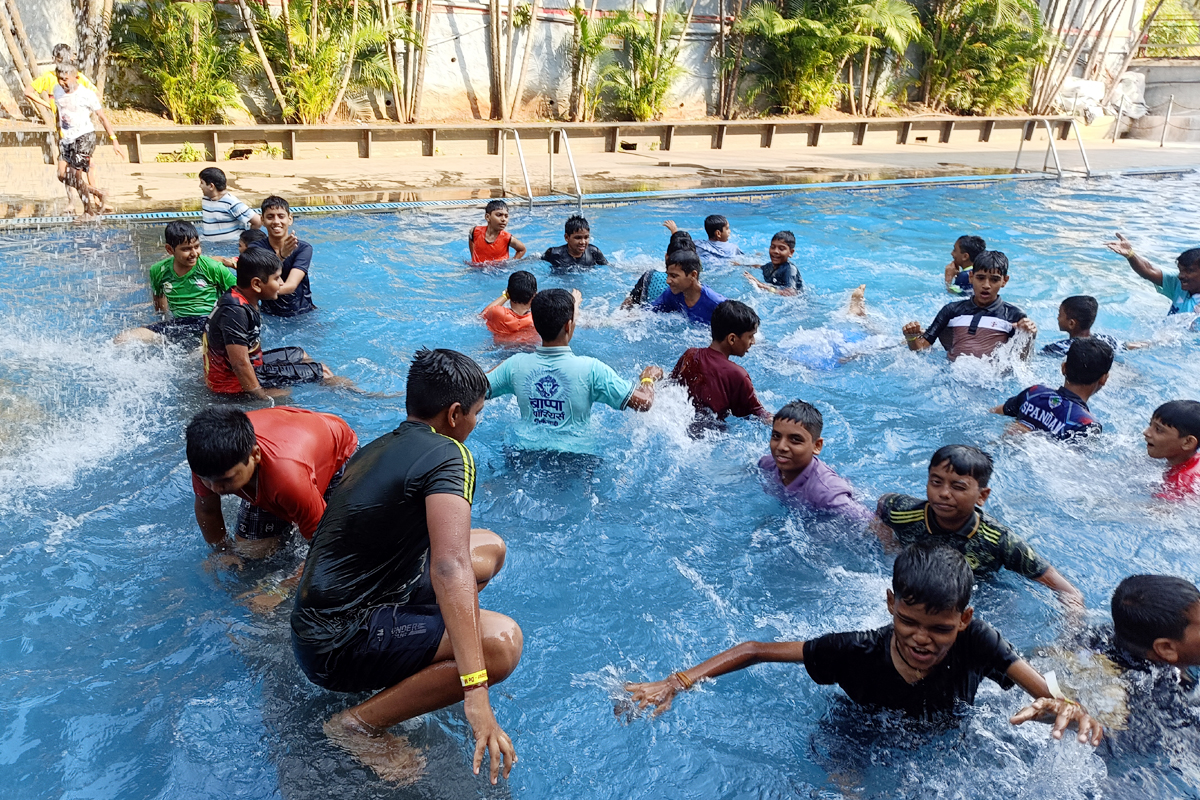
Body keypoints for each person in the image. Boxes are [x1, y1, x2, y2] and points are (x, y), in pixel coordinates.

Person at [291, 348, 522, 785]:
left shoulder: (379, 446)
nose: (476, 423)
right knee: (500, 644)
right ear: (454, 414)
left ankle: (421, 662)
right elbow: (450, 567)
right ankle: (359, 724)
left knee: (490, 548)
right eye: (477, 413)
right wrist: (476, 691)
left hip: (317, 624)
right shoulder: (451, 455)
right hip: (340, 643)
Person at [621, 543, 1103, 745]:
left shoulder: (977, 639)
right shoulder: (855, 651)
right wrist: (677, 682)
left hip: (947, 728)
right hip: (859, 729)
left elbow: (1049, 696)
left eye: (939, 629)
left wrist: (1070, 708)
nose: (921, 638)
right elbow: (755, 649)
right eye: (908, 621)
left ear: (963, 620)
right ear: (891, 604)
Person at [873, 445, 1084, 609]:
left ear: (982, 496)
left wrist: (1070, 633)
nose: (944, 493)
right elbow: (882, 506)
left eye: (958, 487)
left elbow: (1069, 592)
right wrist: (889, 546)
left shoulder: (1000, 541)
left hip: (981, 591)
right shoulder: (903, 511)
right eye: (936, 482)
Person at [487, 288, 662, 453]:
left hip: (523, 451)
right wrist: (648, 378)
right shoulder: (592, 369)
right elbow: (644, 402)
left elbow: (477, 387)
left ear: (535, 323)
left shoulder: (514, 365)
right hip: (577, 456)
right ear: (568, 325)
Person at [186, 406, 358, 559]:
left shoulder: (289, 481)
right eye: (207, 480)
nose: (215, 488)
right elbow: (208, 510)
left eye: (226, 480)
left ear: (255, 455)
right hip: (285, 445)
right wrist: (222, 551)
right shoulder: (206, 462)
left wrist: (287, 583)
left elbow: (326, 544)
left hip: (337, 453)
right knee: (250, 553)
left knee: (336, 537)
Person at [201, 246, 334, 398]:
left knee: (300, 354)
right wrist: (261, 396)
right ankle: (355, 395)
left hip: (250, 365)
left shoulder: (239, 296)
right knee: (322, 372)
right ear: (256, 284)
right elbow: (240, 364)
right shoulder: (235, 311)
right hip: (230, 384)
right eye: (277, 278)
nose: (282, 283)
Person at [114, 220, 236, 345]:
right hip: (179, 324)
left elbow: (240, 295)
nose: (194, 253)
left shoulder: (212, 267)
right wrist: (163, 322)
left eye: (197, 246)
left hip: (209, 322)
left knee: (196, 353)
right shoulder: (158, 270)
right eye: (186, 249)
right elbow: (159, 302)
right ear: (169, 249)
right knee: (122, 339)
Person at [902, 251, 1038, 361]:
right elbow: (921, 348)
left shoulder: (1013, 315)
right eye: (980, 278)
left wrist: (1030, 335)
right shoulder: (952, 310)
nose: (986, 285)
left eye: (994, 279)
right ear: (971, 277)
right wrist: (911, 337)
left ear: (1004, 281)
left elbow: (1020, 362)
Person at [758, 400, 873, 521]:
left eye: (795, 440)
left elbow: (872, 524)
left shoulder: (828, 494)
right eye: (776, 436)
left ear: (817, 446)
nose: (781, 447)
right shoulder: (767, 464)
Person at [31, 63, 122, 217]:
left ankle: (88, 211)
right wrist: (59, 128)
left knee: (75, 174)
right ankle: (98, 193)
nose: (62, 83)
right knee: (61, 175)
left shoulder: (87, 94)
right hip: (67, 139)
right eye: (59, 79)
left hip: (84, 138)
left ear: (76, 77)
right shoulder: (57, 90)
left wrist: (114, 139)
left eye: (65, 79)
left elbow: (102, 117)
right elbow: (59, 112)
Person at [671, 299, 770, 430]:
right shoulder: (738, 375)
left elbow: (670, 389)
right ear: (732, 339)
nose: (753, 342)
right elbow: (761, 415)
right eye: (750, 336)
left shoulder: (690, 355)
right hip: (713, 434)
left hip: (679, 426)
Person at [992, 337, 1113, 441]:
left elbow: (994, 412)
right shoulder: (1086, 424)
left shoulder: (1034, 393)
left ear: (1063, 368)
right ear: (1104, 379)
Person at [1105, 233, 1200, 317]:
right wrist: (1130, 254)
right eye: (1180, 270)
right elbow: (1148, 270)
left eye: (1189, 271)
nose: (1181, 276)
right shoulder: (1177, 283)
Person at [253, 195, 316, 317]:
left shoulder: (303, 248)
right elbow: (257, 278)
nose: (276, 221)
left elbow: (290, 286)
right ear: (262, 220)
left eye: (281, 216)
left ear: (290, 219)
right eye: (270, 217)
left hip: (301, 313)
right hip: (268, 313)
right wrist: (281, 256)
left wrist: (261, 291)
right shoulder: (255, 248)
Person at [651, 250, 727, 327]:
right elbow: (648, 313)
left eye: (674, 276)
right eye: (668, 275)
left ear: (693, 275)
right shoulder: (671, 295)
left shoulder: (716, 303)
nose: (667, 281)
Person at [1143, 399, 1200, 501]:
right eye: (1150, 424)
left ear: (1187, 443)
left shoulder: (1181, 486)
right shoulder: (1191, 460)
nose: (1146, 432)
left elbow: (1161, 509)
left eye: (1158, 430)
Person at [622, 230, 693, 309]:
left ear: (666, 257)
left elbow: (627, 304)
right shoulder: (694, 288)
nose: (668, 281)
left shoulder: (650, 276)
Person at [1040, 296, 1123, 357]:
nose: (1058, 318)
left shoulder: (1059, 348)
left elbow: (1034, 361)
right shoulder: (1107, 340)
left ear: (1071, 323)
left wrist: (1032, 338)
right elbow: (1127, 346)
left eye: (1060, 315)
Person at [198, 167, 261, 239]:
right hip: (209, 242)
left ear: (211, 186)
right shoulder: (206, 199)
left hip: (230, 244)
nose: (200, 186)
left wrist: (248, 239)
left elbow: (258, 221)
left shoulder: (232, 203)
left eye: (202, 183)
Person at [480, 270, 537, 339]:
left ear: (508, 293)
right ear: (534, 295)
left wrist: (504, 296)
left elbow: (482, 315)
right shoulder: (536, 319)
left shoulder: (497, 313)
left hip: (500, 345)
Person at [541, 215, 607, 274]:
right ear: (567, 237)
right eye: (578, 238)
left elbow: (608, 268)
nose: (583, 242)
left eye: (586, 237)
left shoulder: (594, 252)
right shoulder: (554, 254)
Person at [664, 215, 744, 262]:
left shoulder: (698, 245)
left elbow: (681, 246)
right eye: (727, 229)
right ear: (718, 233)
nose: (729, 231)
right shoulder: (733, 248)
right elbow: (744, 259)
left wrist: (674, 231)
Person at [469, 200, 527, 264]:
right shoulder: (475, 231)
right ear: (487, 217)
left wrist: (511, 263)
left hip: (500, 268)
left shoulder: (507, 238)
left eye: (506, 216)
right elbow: (471, 239)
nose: (503, 219)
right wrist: (474, 260)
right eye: (499, 215)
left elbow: (522, 250)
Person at [744, 231, 801, 295]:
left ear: (791, 252)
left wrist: (762, 285)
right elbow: (760, 267)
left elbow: (791, 293)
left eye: (781, 249)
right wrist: (740, 265)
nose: (775, 251)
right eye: (773, 247)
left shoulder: (790, 269)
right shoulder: (770, 266)